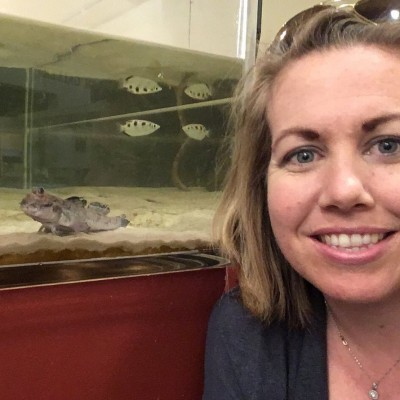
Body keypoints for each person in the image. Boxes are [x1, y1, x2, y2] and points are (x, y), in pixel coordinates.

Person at [203, 3, 400, 400]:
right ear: (261, 185)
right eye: (303, 154)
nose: (343, 191)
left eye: (388, 145)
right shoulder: (246, 333)